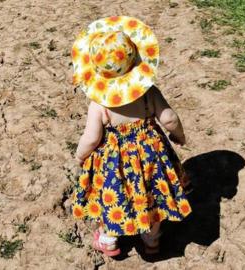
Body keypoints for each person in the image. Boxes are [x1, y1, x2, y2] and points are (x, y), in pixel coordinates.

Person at [70, 16, 191, 257]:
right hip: (151, 157)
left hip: (115, 163)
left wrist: (80, 155)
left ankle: (109, 240)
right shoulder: (149, 93)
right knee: (152, 196)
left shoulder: (100, 103)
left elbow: (92, 138)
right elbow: (169, 118)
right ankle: (152, 240)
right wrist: (179, 136)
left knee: (112, 198)